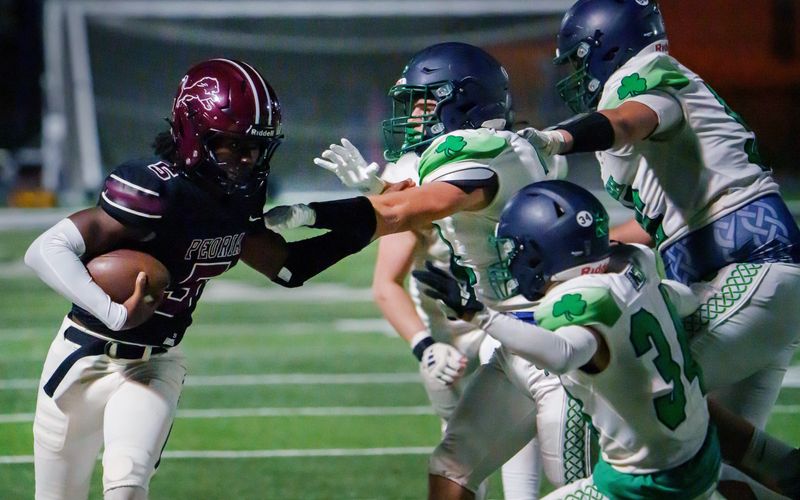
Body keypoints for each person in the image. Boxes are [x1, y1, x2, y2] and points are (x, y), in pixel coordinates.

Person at [24, 58, 379, 500]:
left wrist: (364, 221)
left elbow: (286, 267)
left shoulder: (242, 195)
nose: (247, 159)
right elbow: (45, 250)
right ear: (193, 133)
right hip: (81, 355)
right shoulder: (154, 189)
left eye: (256, 146)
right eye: (231, 144)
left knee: (127, 483)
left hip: (152, 364)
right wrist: (114, 312)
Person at [267, 42, 592, 498]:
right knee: (450, 471)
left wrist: (311, 213)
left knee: (574, 489)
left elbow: (415, 207)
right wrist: (378, 189)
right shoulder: (451, 154)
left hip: (555, 342)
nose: (414, 114)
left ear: (464, 99)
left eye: (425, 100)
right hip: (509, 341)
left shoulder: (494, 149)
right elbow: (405, 199)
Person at [516, 0, 800, 496]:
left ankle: (585, 489)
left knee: (617, 368)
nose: (577, 74)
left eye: (580, 58)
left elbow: (628, 121)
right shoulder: (664, 93)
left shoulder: (648, 75)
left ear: (606, 45)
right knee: (716, 465)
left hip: (750, 268)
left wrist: (559, 138)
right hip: (746, 282)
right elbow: (654, 228)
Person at [413, 180, 723, 499]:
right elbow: (681, 298)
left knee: (567, 476)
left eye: (517, 250)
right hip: (681, 453)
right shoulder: (634, 267)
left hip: (637, 473)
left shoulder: (577, 299)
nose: (513, 261)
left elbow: (563, 353)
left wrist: (480, 315)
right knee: (451, 465)